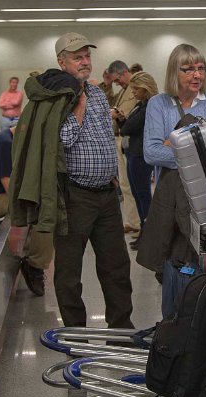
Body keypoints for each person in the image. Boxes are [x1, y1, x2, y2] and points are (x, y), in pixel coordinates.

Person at [138, 43, 206, 282]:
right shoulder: (159, 104)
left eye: (201, 68)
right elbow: (151, 153)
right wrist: (204, 146)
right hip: (173, 201)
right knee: (176, 261)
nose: (197, 75)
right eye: (188, 69)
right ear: (174, 73)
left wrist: (174, 144)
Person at [53, 32, 134, 329]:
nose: (85, 62)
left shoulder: (99, 93)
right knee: (69, 271)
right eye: (77, 57)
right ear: (62, 62)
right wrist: (78, 108)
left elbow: (103, 138)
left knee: (116, 267)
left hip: (107, 195)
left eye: (87, 56)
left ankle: (121, 329)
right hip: (76, 196)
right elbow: (61, 141)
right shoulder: (58, 97)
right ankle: (75, 332)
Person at [0, 127, 53, 296]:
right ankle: (35, 266)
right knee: (43, 210)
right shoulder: (5, 143)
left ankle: (33, 257)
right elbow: (10, 186)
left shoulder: (8, 139)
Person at [118, 71, 158, 251]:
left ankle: (148, 235)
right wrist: (122, 120)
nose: (132, 92)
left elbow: (129, 127)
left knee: (143, 196)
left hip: (140, 155)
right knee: (138, 195)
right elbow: (126, 128)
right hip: (134, 153)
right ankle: (145, 232)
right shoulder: (140, 105)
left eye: (135, 89)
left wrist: (122, 121)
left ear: (145, 88)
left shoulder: (149, 106)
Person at [107, 60, 141, 235]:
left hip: (131, 139)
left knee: (133, 183)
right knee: (125, 184)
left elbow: (127, 113)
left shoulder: (136, 87)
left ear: (123, 73)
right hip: (121, 138)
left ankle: (140, 223)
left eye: (116, 80)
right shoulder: (123, 91)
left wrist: (116, 113)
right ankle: (133, 222)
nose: (116, 83)